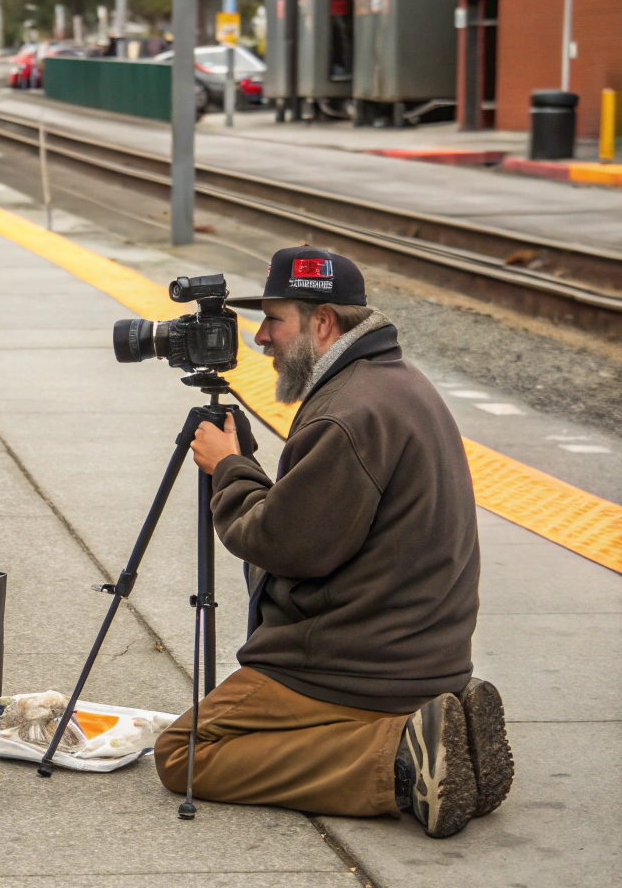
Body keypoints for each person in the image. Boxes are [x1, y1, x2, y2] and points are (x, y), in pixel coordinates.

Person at [155, 247, 514, 839]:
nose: (262, 338)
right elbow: (325, 520)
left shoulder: (346, 414)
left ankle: (401, 760)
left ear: (322, 323)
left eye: (274, 320)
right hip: (423, 651)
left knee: (187, 754)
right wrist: (245, 468)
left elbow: (282, 544)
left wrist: (228, 470)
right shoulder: (393, 383)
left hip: (357, 663)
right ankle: (438, 730)